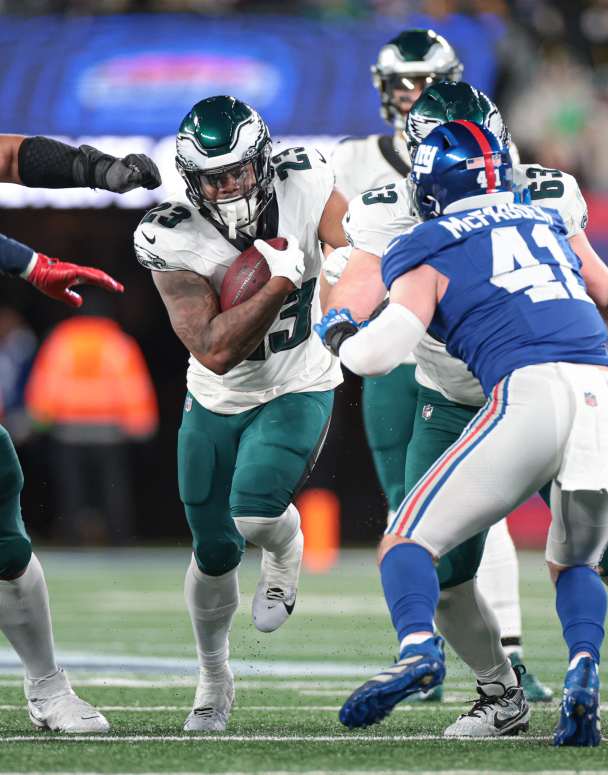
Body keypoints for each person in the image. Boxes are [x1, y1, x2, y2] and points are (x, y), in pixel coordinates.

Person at [320, 121, 608, 747]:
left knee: (406, 539)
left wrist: (340, 334)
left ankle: (418, 650)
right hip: (603, 389)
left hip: (526, 394)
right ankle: (582, 666)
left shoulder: (424, 240)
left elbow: (380, 355)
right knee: (575, 561)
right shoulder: (544, 222)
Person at [330, 33, 550, 702]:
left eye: (423, 82)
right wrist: (342, 308)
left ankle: (507, 650)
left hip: (484, 354)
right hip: (406, 348)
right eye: (400, 82)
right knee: (415, 507)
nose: (410, 95)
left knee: (482, 507)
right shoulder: (357, 163)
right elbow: (343, 256)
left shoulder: (500, 168)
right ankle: (431, 647)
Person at [134, 95, 346, 732]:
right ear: (189, 179)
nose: (227, 186)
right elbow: (216, 350)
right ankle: (214, 675)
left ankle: (286, 546)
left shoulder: (307, 176)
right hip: (218, 395)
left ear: (264, 160)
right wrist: (282, 280)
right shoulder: (168, 233)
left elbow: (352, 252)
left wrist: (337, 280)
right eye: (212, 176)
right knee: (215, 547)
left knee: (253, 510)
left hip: (297, 381)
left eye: (237, 170)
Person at [0, 133, 159, 733]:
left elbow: (11, 157)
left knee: (3, 518)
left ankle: (46, 684)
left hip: (88, 432)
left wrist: (95, 168)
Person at [25, 313, 158, 545]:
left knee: (71, 489)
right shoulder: (117, 342)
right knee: (113, 489)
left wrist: (39, 419)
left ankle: (71, 539)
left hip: (68, 430)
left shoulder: (61, 341)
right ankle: (120, 540)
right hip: (109, 432)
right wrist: (141, 424)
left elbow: (47, 382)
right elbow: (132, 385)